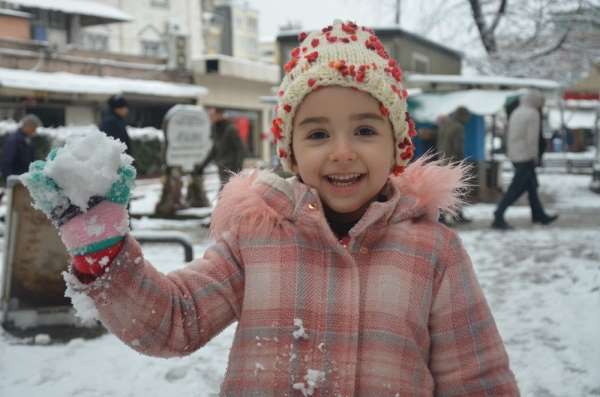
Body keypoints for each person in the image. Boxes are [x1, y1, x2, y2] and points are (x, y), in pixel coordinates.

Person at [23, 21, 519, 395]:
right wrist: (105, 254)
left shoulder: (434, 253)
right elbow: (174, 322)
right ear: (290, 151)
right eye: (319, 133)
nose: (342, 151)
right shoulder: (257, 237)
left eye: (365, 130)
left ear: (397, 146)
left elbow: (477, 378)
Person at [492, 90, 558, 230]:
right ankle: (499, 214)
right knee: (516, 188)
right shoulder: (532, 114)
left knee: (532, 187)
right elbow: (531, 138)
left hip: (516, 155)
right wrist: (534, 156)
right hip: (526, 156)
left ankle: (539, 215)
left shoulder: (516, 112)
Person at [436, 106, 472, 224]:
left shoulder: (445, 125)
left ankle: (442, 216)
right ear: (462, 116)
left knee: (445, 191)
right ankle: (456, 215)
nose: (468, 120)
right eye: (467, 117)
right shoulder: (458, 127)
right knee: (458, 190)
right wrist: (462, 164)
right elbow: (458, 148)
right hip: (454, 162)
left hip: (443, 162)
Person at [197, 107, 245, 188]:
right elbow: (214, 150)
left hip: (231, 170)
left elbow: (240, 149)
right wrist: (202, 166)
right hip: (221, 168)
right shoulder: (215, 129)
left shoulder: (230, 129)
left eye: (212, 115)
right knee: (224, 194)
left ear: (220, 115)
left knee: (227, 194)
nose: (210, 117)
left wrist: (237, 169)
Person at [1, 114, 41, 183]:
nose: (35, 131)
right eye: (34, 128)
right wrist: (9, 179)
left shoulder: (28, 139)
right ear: (28, 126)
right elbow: (7, 161)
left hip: (24, 179)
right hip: (15, 179)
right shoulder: (14, 140)